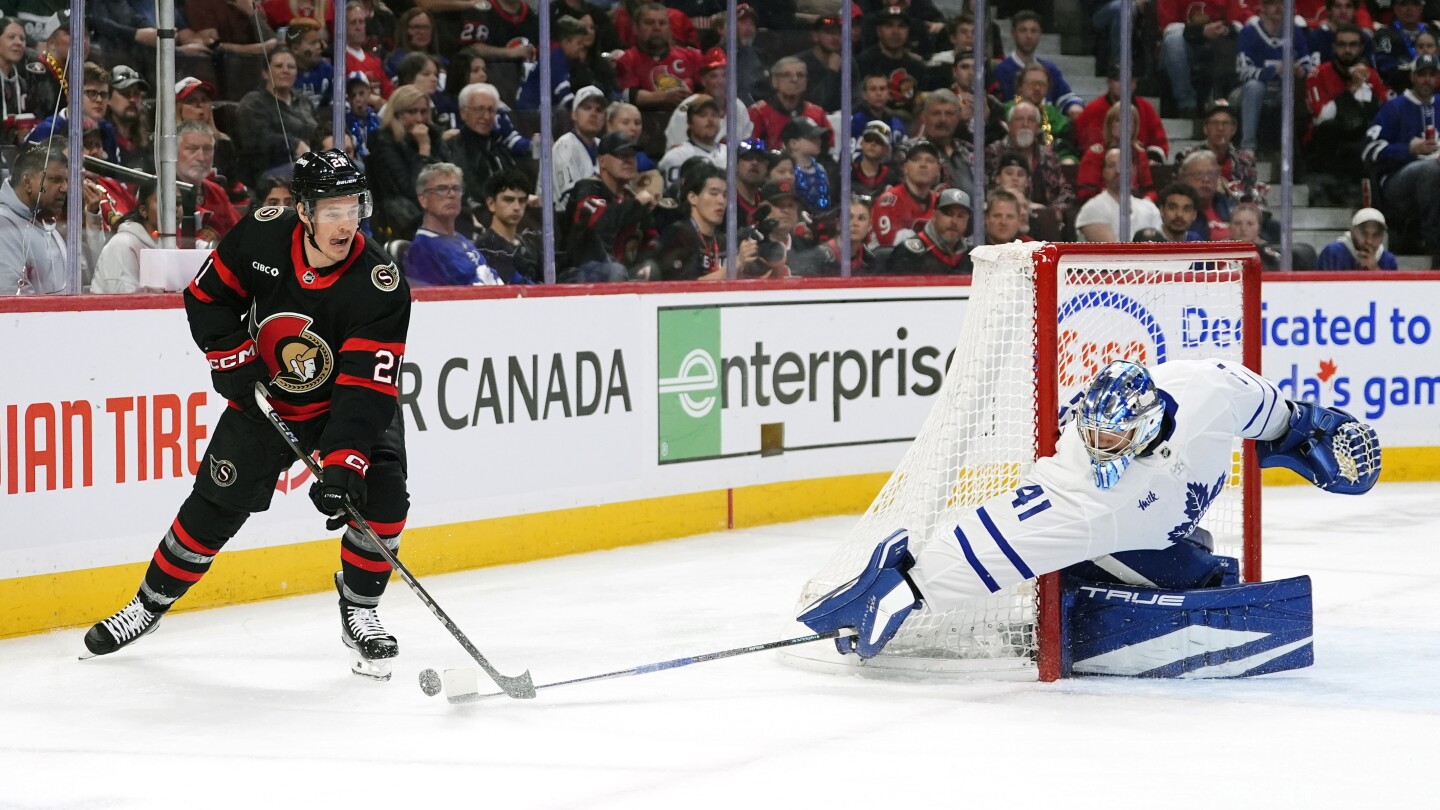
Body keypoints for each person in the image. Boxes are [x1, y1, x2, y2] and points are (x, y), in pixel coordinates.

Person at [797, 358, 1380, 663]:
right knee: (1189, 576)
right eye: (1092, 435)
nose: (1099, 447)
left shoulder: (1211, 390)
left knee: (1199, 560)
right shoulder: (1083, 490)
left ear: (1148, 423)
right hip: (1115, 533)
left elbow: (1281, 419)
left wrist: (1307, 429)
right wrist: (904, 588)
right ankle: (1077, 578)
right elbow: (994, 538)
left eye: (1112, 439)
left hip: (1164, 521)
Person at [83, 149, 412, 682]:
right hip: (264, 400)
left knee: (383, 501)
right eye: (331, 209)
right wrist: (232, 358)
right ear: (302, 211)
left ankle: (361, 609)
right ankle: (147, 605)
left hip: (340, 408)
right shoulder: (260, 235)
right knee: (213, 508)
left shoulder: (380, 282)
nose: (345, 222)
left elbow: (366, 388)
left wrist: (344, 462)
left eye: (353, 207)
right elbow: (207, 298)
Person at [1306, 23, 1390, 207]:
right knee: (1329, 128)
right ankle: (1329, 186)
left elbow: (1383, 113)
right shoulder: (1318, 73)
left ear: (1361, 48)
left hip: (1361, 137)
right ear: (1334, 48)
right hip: (1328, 140)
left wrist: (1366, 91)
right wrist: (1351, 90)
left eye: (1353, 45)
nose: (1348, 50)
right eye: (1342, 45)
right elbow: (1321, 117)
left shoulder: (1372, 75)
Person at [561, 132, 657, 282]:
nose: (629, 161)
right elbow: (601, 222)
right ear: (602, 161)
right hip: (580, 272)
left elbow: (650, 240)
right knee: (615, 270)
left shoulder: (632, 198)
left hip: (622, 272)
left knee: (652, 268)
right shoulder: (587, 188)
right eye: (621, 155)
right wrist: (636, 205)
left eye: (632, 155)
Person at [404, 162, 504, 286]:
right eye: (441, 189)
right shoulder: (422, 249)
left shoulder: (461, 239)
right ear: (423, 199)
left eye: (456, 189)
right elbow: (434, 301)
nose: (451, 194)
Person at [1231, 0, 1312, 153]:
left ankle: (1286, 148)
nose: (1279, 8)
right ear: (1263, 7)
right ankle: (1248, 147)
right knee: (1254, 87)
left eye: (1283, 4)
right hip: (1247, 91)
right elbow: (1242, 71)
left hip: (1281, 89)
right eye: (1273, 3)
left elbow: (1309, 65)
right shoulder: (1249, 32)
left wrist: (1301, 71)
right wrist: (1274, 70)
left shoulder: (1295, 32)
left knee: (1291, 91)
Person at [650, 163, 754, 280]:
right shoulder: (678, 235)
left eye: (725, 195)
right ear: (693, 197)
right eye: (713, 193)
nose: (721, 201)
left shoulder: (723, 241)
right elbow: (686, 288)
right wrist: (735, 264)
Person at [367, 84, 443, 238]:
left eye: (423, 112)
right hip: (403, 223)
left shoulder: (433, 136)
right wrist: (423, 151)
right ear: (396, 114)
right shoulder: (384, 143)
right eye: (412, 112)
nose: (419, 119)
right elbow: (410, 190)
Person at [235, 46, 318, 187]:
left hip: (308, 162)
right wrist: (294, 144)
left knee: (352, 167)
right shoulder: (253, 102)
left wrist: (329, 137)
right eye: (279, 66)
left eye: (291, 67)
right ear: (265, 73)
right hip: (268, 170)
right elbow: (259, 139)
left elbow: (318, 129)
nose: (285, 70)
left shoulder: (304, 101)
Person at [0, 144, 67, 294]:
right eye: (55, 180)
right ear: (27, 182)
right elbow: (14, 303)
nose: (65, 188)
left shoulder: (45, 223)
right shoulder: (4, 227)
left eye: (65, 181)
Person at [1157, 0, 1241, 119]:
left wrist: (1224, 29)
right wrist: (1200, 32)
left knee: (1230, 43)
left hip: (1216, 45)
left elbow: (1236, 23)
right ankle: (1187, 106)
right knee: (1173, 41)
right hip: (1180, 50)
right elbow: (1169, 28)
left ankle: (1224, 105)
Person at [991, 11, 1083, 119]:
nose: (1029, 36)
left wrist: (1074, 107)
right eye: (1023, 30)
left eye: (1034, 31)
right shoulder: (1001, 70)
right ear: (1013, 33)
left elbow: (1065, 96)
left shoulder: (1049, 69)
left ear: (1040, 34)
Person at [615, 2, 702, 114]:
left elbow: (709, 91)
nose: (656, 28)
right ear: (635, 28)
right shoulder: (627, 59)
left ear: (669, 28)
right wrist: (665, 97)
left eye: (662, 23)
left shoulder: (692, 57)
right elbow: (627, 95)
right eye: (649, 23)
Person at [1073, 61, 1168, 160]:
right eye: (1118, 79)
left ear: (1135, 83)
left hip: (1140, 167)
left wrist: (1150, 160)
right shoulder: (1093, 110)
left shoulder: (1146, 108)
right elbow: (1089, 150)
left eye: (1129, 80)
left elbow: (1160, 144)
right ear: (1109, 83)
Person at [1075, 147, 1165, 242]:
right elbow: (1112, 254)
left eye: (1124, 165)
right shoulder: (1093, 208)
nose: (1118, 171)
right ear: (1104, 172)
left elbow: (1160, 250)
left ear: (1134, 170)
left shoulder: (1150, 209)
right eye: (1111, 165)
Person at [857, 7, 929, 122]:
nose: (895, 31)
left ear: (908, 31)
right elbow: (858, 101)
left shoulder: (917, 65)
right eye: (889, 25)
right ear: (879, 31)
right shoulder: (865, 61)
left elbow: (922, 99)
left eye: (901, 26)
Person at [90, 179, 161, 293]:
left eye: (178, 203)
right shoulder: (122, 244)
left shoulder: (170, 246)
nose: (174, 209)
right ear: (143, 210)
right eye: (164, 202)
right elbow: (125, 303)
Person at [175, 120, 242, 241]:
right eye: (192, 149)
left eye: (207, 149)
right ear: (173, 153)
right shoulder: (157, 192)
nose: (201, 157)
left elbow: (239, 235)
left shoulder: (216, 192)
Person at [1174, 104, 1258, 200]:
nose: (1220, 128)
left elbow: (1250, 195)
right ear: (1205, 129)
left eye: (1226, 123)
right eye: (1215, 123)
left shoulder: (1244, 160)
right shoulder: (1187, 156)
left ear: (1234, 130)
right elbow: (1179, 192)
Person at [748, 56, 834, 150]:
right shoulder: (758, 112)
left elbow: (828, 147)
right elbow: (752, 153)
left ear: (806, 82)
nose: (794, 79)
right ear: (774, 81)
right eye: (786, 75)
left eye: (800, 75)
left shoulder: (816, 112)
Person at [880, 187, 970, 274]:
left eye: (961, 216)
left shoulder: (973, 257)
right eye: (948, 214)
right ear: (934, 216)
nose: (954, 222)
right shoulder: (908, 253)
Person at [475, 169, 540, 284]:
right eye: (508, 200)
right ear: (491, 204)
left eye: (522, 200)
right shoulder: (485, 246)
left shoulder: (528, 242)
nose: (516, 207)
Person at [551, 85, 609, 210]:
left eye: (599, 110)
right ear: (574, 115)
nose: (593, 114)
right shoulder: (564, 146)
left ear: (604, 119)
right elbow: (570, 200)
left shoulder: (604, 147)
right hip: (562, 222)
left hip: (597, 216)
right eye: (587, 108)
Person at [657, 93, 725, 186]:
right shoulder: (677, 156)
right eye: (703, 115)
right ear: (690, 123)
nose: (710, 119)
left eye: (714, 115)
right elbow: (675, 196)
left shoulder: (731, 153)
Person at [1316, 207, 1400, 270]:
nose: (1369, 241)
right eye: (1364, 233)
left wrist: (1374, 270)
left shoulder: (1388, 260)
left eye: (1375, 235)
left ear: (1382, 237)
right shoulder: (1333, 253)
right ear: (1352, 232)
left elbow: (1391, 292)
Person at [106, 65, 150, 167]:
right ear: (108, 98)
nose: (132, 100)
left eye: (136, 94)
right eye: (125, 93)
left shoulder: (147, 147)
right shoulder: (101, 141)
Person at [852, 120, 899, 196]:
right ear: (861, 143)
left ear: (886, 149)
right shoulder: (849, 174)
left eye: (878, 141)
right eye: (869, 139)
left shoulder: (892, 178)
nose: (873, 144)